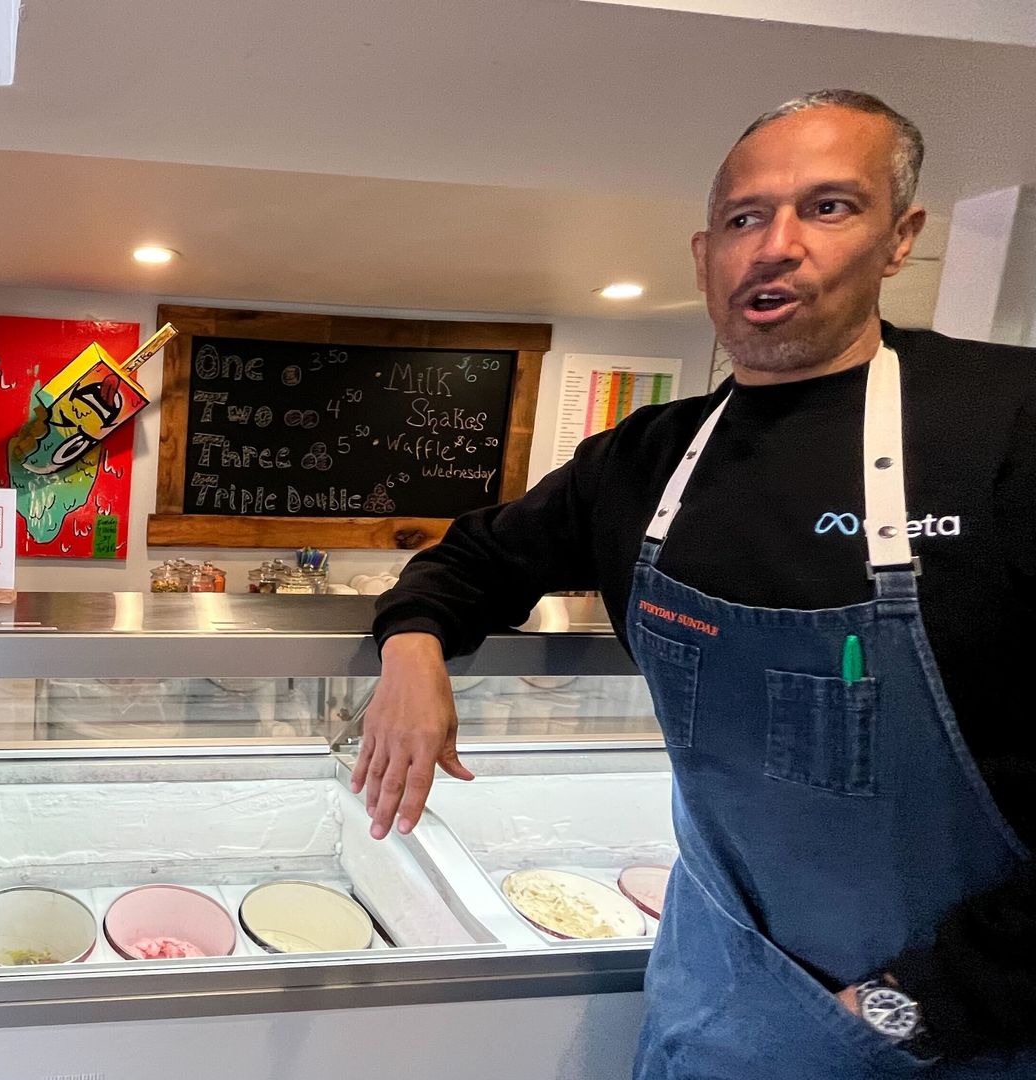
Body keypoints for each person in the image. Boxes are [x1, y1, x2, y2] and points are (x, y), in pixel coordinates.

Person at [361, 89, 1035, 1077]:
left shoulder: (1008, 425)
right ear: (705, 254)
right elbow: (476, 557)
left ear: (903, 238)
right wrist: (412, 647)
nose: (777, 245)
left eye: (830, 207)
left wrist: (906, 1005)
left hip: (965, 1028)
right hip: (719, 998)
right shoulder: (643, 463)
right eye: (744, 218)